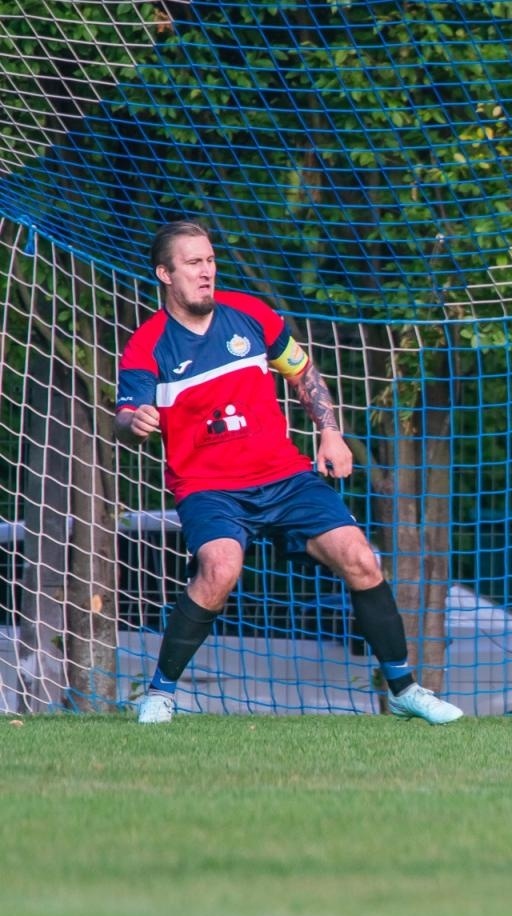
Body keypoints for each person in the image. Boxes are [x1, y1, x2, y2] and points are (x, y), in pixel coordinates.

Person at [112, 220, 464, 725]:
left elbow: (301, 371)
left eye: (210, 260)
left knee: (362, 559)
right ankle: (160, 694)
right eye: (193, 263)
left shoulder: (251, 315)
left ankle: (404, 689)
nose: (207, 271)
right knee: (221, 569)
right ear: (165, 274)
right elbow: (127, 416)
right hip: (210, 489)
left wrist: (330, 431)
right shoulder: (148, 345)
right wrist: (135, 421)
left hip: (284, 477)